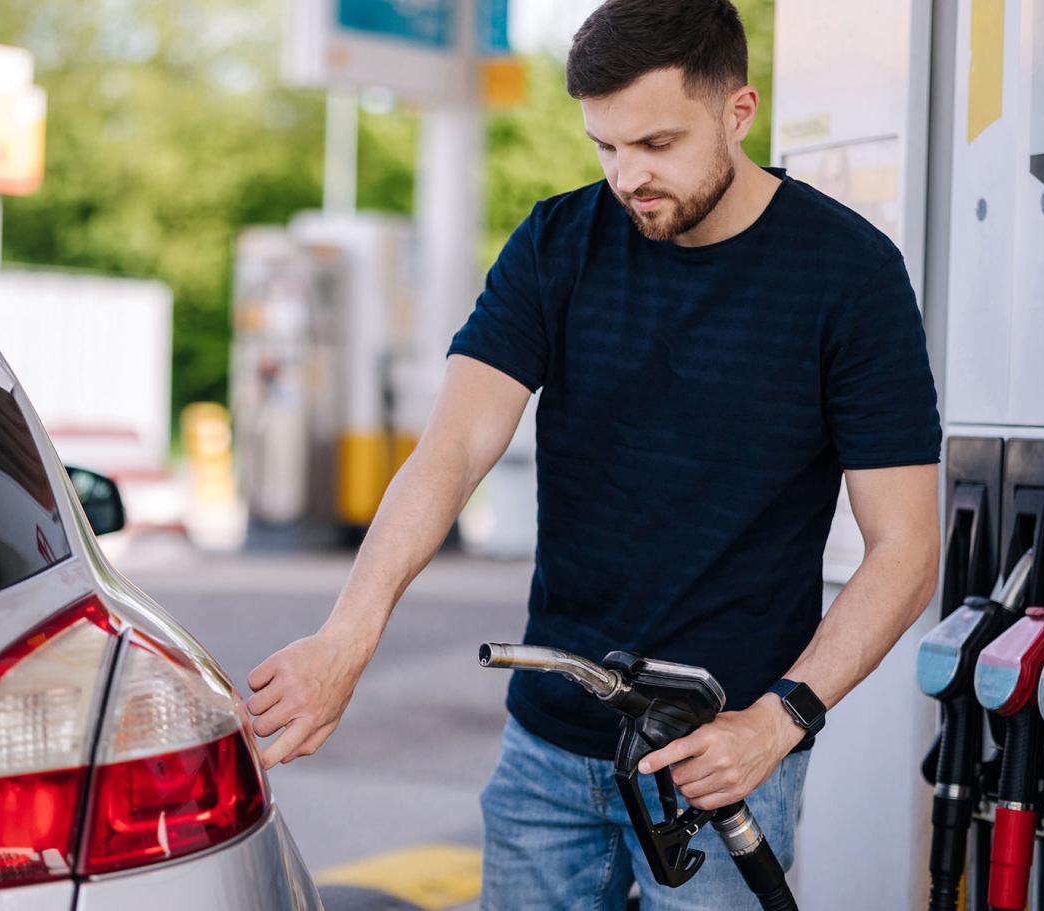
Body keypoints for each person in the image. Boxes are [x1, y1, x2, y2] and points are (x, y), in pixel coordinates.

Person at [245, 1, 942, 907]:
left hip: (722, 758)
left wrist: (779, 721)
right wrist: (348, 634)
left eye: (655, 143)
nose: (627, 177)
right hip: (546, 754)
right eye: (606, 146)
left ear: (740, 111)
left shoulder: (850, 276)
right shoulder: (558, 241)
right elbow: (454, 447)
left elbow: (907, 547)